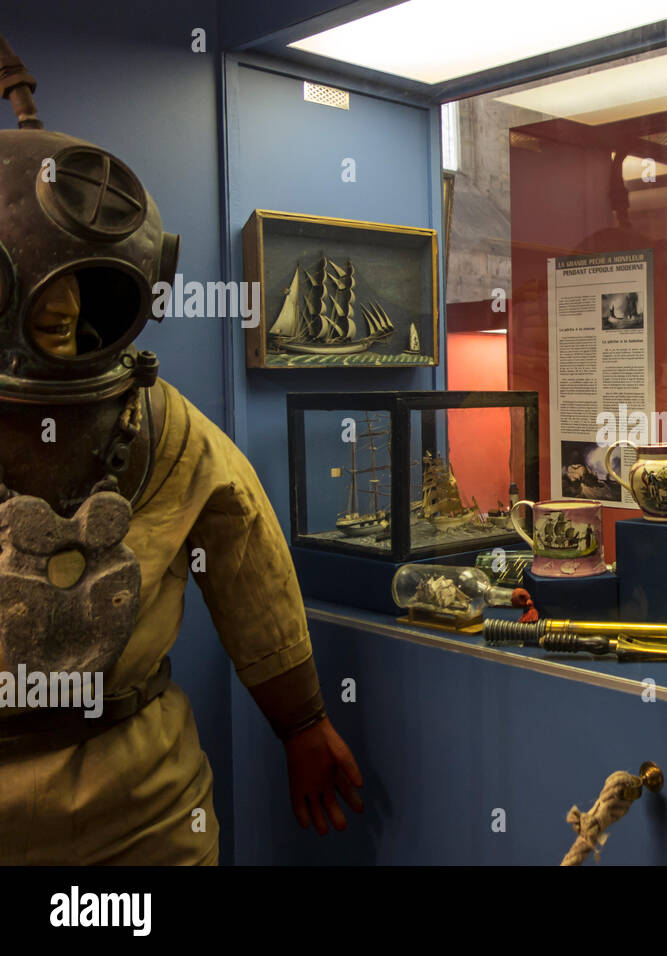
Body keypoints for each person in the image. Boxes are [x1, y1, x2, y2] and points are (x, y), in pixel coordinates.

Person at [0, 52, 361, 864]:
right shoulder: (163, 423)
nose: (62, 311)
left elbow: (246, 566)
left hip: (144, 805)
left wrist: (301, 721)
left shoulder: (163, 427)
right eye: (43, 292)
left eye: (78, 287)